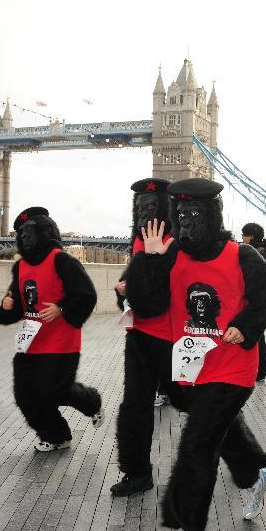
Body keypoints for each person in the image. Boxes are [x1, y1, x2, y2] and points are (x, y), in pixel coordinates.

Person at [125, 178, 266, 531]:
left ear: (212, 216)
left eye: (195, 214)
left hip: (232, 371)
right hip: (193, 370)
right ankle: (255, 472)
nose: (187, 223)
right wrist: (146, 260)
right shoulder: (169, 254)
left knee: (197, 445)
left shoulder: (240, 255)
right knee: (220, 432)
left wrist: (245, 327)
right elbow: (147, 306)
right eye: (180, 215)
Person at [0, 207, 104, 451]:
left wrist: (62, 308)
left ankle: (91, 401)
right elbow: (19, 305)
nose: (24, 237)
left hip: (61, 343)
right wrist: (7, 306)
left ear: (45, 232)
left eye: (29, 231)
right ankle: (56, 436)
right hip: (30, 343)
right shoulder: (20, 267)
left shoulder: (62, 261)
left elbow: (86, 295)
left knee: (54, 391)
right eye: (21, 233)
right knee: (25, 396)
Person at [111, 178, 178, 497]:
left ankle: (247, 464)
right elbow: (133, 289)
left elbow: (160, 296)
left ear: (164, 209)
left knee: (201, 405)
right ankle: (137, 472)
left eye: (151, 207)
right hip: (138, 336)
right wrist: (121, 288)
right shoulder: (138, 241)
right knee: (135, 406)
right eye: (139, 207)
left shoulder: (177, 241)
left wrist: (147, 263)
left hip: (172, 338)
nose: (144, 213)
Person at [241, 222, 266, 380]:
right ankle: (261, 370)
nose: (242, 238)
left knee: (257, 337)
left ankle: (260, 370)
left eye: (244, 235)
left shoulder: (254, 253)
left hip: (256, 300)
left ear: (250, 237)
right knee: (259, 336)